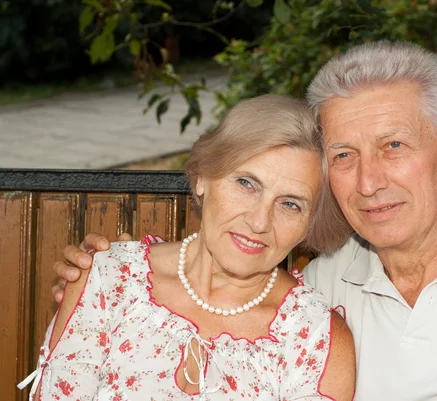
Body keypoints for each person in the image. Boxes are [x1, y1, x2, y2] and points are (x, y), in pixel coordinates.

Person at [53, 41, 437, 400]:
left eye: (393, 145)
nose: (368, 181)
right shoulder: (325, 280)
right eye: (343, 155)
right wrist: (114, 274)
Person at [20, 94, 355, 401]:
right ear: (203, 177)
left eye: (290, 204)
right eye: (245, 183)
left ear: (311, 223)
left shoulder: (313, 337)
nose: (259, 222)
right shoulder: (110, 279)